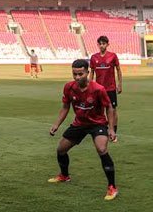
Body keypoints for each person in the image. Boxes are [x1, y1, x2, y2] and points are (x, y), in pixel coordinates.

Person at [49, 59, 118, 200]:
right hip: (79, 123)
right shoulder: (68, 87)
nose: (77, 77)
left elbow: (109, 108)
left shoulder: (98, 89)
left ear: (87, 72)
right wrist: (57, 124)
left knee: (102, 149)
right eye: (74, 74)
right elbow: (65, 107)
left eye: (80, 74)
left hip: (97, 124)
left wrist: (111, 129)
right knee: (61, 149)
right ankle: (64, 175)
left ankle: (112, 187)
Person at [89, 36, 122, 140]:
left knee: (112, 110)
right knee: (99, 110)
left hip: (110, 88)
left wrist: (120, 84)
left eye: (104, 43)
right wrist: (90, 85)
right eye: (100, 44)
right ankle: (101, 132)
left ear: (108, 44)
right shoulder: (94, 57)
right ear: (98, 45)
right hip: (98, 89)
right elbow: (92, 72)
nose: (102, 45)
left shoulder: (113, 56)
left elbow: (118, 70)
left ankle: (113, 132)